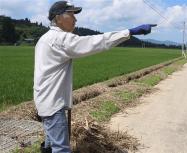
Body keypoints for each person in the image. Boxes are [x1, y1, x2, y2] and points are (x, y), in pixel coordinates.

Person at [34, 1, 156, 152]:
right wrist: (129, 32)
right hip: (53, 105)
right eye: (71, 14)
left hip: (45, 101)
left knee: (50, 145)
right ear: (58, 18)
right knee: (61, 149)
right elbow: (96, 42)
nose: (75, 19)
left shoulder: (44, 38)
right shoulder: (59, 39)